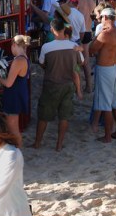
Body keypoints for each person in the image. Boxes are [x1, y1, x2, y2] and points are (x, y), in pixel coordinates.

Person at [34, 19, 82, 151]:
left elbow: (42, 63)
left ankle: (37, 143)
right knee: (64, 116)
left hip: (51, 84)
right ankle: (59, 144)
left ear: (52, 29)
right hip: (68, 84)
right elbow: (80, 63)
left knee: (44, 115)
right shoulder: (73, 46)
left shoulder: (47, 47)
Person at [89, 7, 116, 143]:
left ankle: (107, 136)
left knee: (105, 104)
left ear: (105, 18)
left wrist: (95, 38)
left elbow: (91, 50)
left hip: (105, 69)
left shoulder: (104, 34)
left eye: (101, 18)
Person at [0, 35, 31, 145]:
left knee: (13, 129)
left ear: (14, 45)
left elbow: (8, 83)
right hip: (18, 94)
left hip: (14, 97)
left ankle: (18, 153)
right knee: (13, 127)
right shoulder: (24, 58)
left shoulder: (18, 60)